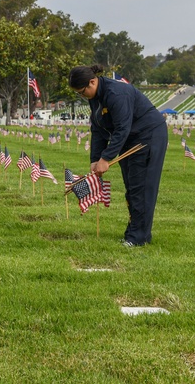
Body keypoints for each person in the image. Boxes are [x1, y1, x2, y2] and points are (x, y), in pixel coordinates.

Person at [70, 64, 168, 247]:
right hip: (129, 139)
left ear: (92, 82)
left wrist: (106, 158)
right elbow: (98, 128)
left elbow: (122, 128)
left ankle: (137, 237)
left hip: (147, 136)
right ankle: (137, 233)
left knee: (141, 187)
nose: (82, 96)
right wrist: (95, 159)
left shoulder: (116, 94)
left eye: (82, 92)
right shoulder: (95, 97)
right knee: (131, 186)